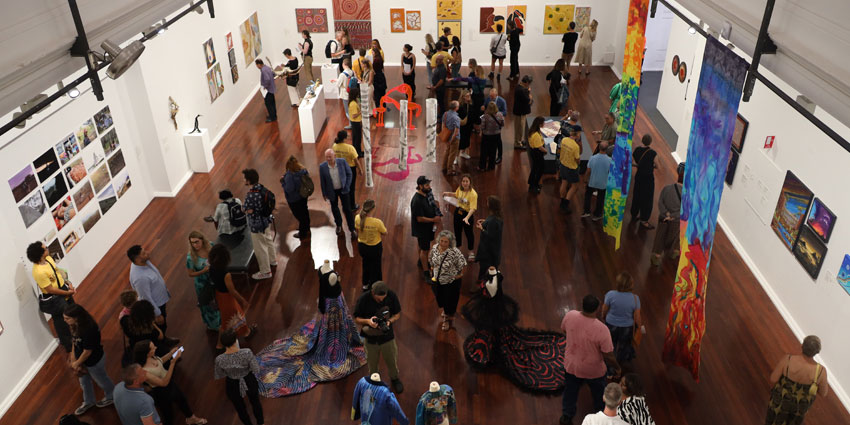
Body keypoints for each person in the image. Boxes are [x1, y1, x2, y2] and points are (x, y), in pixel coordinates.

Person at [462, 268, 565, 393]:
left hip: (491, 310)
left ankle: (490, 352)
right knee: (490, 331)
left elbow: (490, 290)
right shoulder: (494, 276)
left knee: (492, 332)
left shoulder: (493, 282)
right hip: (489, 308)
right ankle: (490, 349)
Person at [560, 295, 621, 425]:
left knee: (570, 391)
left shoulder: (570, 315)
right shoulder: (602, 329)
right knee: (599, 393)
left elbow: (564, 330)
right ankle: (600, 417)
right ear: (597, 309)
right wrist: (617, 367)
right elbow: (608, 355)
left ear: (582, 304)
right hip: (593, 370)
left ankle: (566, 416)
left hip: (571, 366)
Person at [132, 341, 206, 425]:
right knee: (168, 415)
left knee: (182, 400)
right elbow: (164, 383)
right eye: (153, 348)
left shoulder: (152, 357)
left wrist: (171, 353)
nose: (156, 347)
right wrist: (172, 363)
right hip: (161, 393)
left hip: (170, 384)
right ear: (147, 353)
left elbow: (160, 361)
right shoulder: (144, 371)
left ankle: (191, 418)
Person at [353, 281, 403, 393]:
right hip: (370, 339)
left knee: (392, 361)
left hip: (387, 337)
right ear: (372, 292)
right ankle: (374, 382)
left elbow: (397, 314)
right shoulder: (364, 299)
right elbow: (356, 318)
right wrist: (368, 322)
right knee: (372, 364)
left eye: (383, 298)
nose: (381, 300)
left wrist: (389, 321)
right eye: (378, 298)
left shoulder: (391, 295)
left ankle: (395, 379)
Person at [64, 304, 114, 416]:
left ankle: (111, 396)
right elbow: (74, 342)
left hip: (93, 361)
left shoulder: (89, 329)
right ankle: (89, 401)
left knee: (101, 380)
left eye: (67, 318)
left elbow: (88, 351)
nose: (65, 320)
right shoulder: (74, 325)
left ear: (76, 317)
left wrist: (76, 363)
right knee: (84, 383)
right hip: (81, 361)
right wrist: (73, 359)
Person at [765, 335, 829, 425]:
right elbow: (823, 393)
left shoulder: (788, 359)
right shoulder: (821, 371)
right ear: (817, 352)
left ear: (802, 345)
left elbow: (773, 378)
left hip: (779, 402)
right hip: (799, 408)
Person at [27, 241, 75, 353]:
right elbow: (50, 289)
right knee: (61, 322)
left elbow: (58, 272)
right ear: (40, 254)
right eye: (45, 248)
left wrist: (68, 283)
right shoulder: (38, 272)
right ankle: (68, 345)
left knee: (73, 312)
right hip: (55, 299)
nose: (48, 248)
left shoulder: (48, 259)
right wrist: (67, 293)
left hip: (63, 290)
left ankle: (77, 336)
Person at [215, 329, 264, 425]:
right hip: (248, 379)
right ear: (235, 341)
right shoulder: (246, 353)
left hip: (232, 384)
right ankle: (260, 423)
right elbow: (256, 369)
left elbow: (220, 374)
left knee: (240, 408)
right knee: (255, 402)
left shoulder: (219, 359)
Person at [209, 244, 256, 339]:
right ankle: (246, 333)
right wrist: (243, 300)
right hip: (227, 298)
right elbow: (232, 291)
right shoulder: (226, 274)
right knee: (236, 314)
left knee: (225, 317)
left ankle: (224, 340)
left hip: (219, 295)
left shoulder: (211, 268)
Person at [601, 272, 644, 367]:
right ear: (631, 285)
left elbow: (604, 309)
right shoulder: (635, 299)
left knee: (611, 343)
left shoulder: (610, 294)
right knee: (624, 344)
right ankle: (620, 361)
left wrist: (604, 317)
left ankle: (610, 362)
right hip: (626, 327)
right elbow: (637, 317)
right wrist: (639, 327)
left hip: (611, 324)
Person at [242, 168, 276, 280]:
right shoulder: (262, 188)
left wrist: (247, 210)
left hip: (256, 224)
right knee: (268, 240)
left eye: (245, 178)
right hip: (266, 220)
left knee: (260, 248)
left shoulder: (251, 195)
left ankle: (265, 271)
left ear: (248, 181)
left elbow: (245, 208)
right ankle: (273, 260)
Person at [127, 245, 171, 333]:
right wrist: (157, 314)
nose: (147, 253)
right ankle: (162, 343)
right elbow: (145, 297)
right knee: (161, 328)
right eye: (144, 253)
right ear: (137, 259)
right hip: (156, 305)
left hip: (159, 300)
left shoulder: (143, 262)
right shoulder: (140, 278)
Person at [429, 231, 467, 331]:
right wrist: (432, 270)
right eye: (441, 241)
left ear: (450, 242)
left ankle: (446, 318)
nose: (443, 243)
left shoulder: (455, 252)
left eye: (446, 242)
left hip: (450, 282)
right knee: (440, 298)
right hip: (437, 280)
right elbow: (431, 260)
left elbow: (462, 265)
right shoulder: (435, 248)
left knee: (448, 299)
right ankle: (447, 311)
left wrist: (458, 276)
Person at [185, 231, 220, 331]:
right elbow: (190, 274)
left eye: (197, 242)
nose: (195, 245)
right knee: (209, 305)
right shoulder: (190, 257)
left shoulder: (210, 246)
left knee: (218, 299)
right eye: (192, 243)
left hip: (214, 279)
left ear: (202, 240)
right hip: (202, 284)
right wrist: (203, 271)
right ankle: (214, 325)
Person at [651, 162, 684, 265]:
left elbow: (660, 201)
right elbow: (684, 212)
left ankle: (656, 256)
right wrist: (673, 217)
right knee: (674, 237)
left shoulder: (667, 188)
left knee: (660, 236)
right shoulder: (687, 197)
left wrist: (666, 214)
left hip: (663, 218)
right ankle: (672, 252)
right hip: (676, 221)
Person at [319, 148, 356, 236]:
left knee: (347, 209)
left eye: (330, 157)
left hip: (343, 189)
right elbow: (322, 181)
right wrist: (324, 193)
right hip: (331, 191)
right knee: (334, 208)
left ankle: (352, 229)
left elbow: (349, 174)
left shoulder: (342, 162)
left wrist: (347, 186)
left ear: (334, 156)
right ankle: (339, 225)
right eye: (326, 157)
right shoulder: (322, 167)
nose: (328, 159)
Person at [411, 176, 440, 280]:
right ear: (420, 186)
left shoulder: (426, 193)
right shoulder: (417, 201)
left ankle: (420, 261)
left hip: (427, 228)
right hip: (422, 229)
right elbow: (419, 218)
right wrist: (434, 220)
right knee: (425, 250)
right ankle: (426, 272)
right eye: (427, 185)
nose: (429, 187)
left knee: (421, 246)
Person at [355, 199, 387, 291]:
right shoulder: (377, 222)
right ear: (373, 209)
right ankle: (377, 286)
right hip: (375, 248)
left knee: (365, 264)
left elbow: (357, 228)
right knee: (376, 267)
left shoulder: (357, 218)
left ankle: (365, 284)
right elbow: (385, 232)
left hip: (362, 247)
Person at [443, 175, 477, 259]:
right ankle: (458, 249)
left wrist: (467, 218)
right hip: (458, 212)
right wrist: (448, 194)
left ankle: (471, 251)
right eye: (463, 181)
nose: (465, 183)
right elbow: (456, 195)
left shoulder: (473, 194)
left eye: (466, 181)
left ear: (470, 182)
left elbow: (473, 208)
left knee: (469, 234)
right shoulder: (460, 189)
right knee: (457, 232)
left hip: (467, 214)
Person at [280, 156, 311, 240]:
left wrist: (283, 182)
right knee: (305, 211)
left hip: (294, 199)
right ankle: (306, 228)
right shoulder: (303, 170)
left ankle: (302, 232)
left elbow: (289, 189)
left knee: (299, 215)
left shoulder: (290, 175)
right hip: (303, 196)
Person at [332, 130, 363, 211]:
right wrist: (360, 170)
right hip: (350, 169)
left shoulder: (334, 146)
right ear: (345, 138)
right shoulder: (350, 148)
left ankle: (344, 205)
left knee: (343, 186)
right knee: (351, 188)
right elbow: (356, 161)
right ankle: (352, 206)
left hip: (339, 168)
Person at [631, 135, 657, 229]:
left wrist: (638, 166)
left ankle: (634, 214)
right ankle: (644, 220)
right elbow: (658, 166)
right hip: (648, 178)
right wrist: (651, 166)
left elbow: (633, 162)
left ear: (642, 141)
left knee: (636, 195)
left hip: (639, 176)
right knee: (647, 199)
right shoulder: (653, 153)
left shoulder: (637, 150)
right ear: (650, 142)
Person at [475, 196, 503, 281]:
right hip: (494, 249)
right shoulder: (497, 216)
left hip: (488, 250)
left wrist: (481, 228)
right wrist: (485, 222)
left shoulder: (493, 220)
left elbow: (490, 236)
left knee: (484, 266)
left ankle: (482, 282)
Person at [583, 141, 612, 220]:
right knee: (600, 198)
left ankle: (586, 211)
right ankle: (597, 214)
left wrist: (585, 179)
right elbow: (610, 172)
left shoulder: (593, 158)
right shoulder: (610, 160)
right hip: (603, 183)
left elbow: (588, 170)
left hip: (592, 181)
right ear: (607, 149)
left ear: (599, 148)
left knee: (588, 195)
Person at [558, 128, 581, 213]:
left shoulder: (564, 140)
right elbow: (577, 159)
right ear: (577, 135)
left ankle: (562, 201)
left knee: (564, 183)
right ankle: (565, 204)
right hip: (571, 168)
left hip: (563, 164)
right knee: (574, 186)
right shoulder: (575, 146)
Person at [483, 88, 507, 163]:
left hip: (496, 126)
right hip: (488, 125)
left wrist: (496, 114)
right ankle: (488, 155)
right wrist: (483, 107)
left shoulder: (502, 101)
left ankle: (499, 156)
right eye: (490, 96)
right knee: (488, 142)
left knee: (498, 142)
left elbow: (505, 112)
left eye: (492, 96)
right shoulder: (488, 99)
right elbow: (485, 106)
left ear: (496, 95)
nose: (491, 98)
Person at [479, 101, 504, 171]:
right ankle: (491, 166)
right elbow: (502, 124)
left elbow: (482, 127)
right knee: (493, 151)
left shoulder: (485, 116)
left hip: (486, 136)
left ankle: (482, 166)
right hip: (496, 135)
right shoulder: (500, 115)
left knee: (484, 151)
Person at [526, 116, 546, 193]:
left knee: (536, 168)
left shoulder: (533, 131)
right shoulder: (536, 135)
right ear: (539, 124)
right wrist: (546, 151)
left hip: (534, 152)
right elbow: (540, 147)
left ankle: (535, 183)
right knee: (539, 169)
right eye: (543, 123)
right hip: (537, 153)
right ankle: (533, 186)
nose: (544, 124)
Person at [513, 75, 533, 149]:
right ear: (526, 82)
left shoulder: (521, 88)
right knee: (519, 128)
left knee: (522, 127)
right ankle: (517, 143)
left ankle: (520, 140)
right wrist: (530, 96)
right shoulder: (521, 90)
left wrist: (527, 91)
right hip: (520, 112)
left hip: (521, 112)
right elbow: (528, 100)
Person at [442, 100, 461, 175]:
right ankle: (449, 170)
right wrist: (451, 140)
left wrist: (445, 136)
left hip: (447, 135)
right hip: (454, 138)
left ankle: (444, 167)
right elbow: (456, 131)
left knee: (447, 152)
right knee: (452, 154)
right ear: (456, 108)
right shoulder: (456, 118)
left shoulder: (445, 114)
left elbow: (443, 125)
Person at [429, 54, 449, 121]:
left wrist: (435, 86)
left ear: (441, 60)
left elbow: (441, 80)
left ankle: (442, 115)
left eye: (438, 59)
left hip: (440, 88)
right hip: (437, 88)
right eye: (436, 59)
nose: (436, 61)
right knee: (439, 101)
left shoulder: (442, 69)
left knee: (441, 102)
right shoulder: (438, 67)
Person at [456, 90, 474, 161]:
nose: (469, 97)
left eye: (469, 96)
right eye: (467, 96)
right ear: (463, 97)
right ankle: (456, 157)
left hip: (468, 125)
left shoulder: (471, 105)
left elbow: (473, 114)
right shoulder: (460, 106)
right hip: (461, 126)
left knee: (467, 140)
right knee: (460, 141)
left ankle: (463, 152)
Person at [348, 86, 364, 158]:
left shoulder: (352, 102)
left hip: (354, 122)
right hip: (356, 122)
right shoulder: (353, 104)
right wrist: (360, 112)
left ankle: (357, 151)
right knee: (357, 138)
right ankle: (358, 152)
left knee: (355, 137)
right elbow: (354, 115)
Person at [371, 41, 387, 110]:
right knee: (382, 92)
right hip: (381, 76)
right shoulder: (380, 59)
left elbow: (374, 69)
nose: (372, 54)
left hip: (377, 77)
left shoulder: (376, 60)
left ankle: (378, 106)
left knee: (377, 92)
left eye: (373, 53)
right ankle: (383, 105)